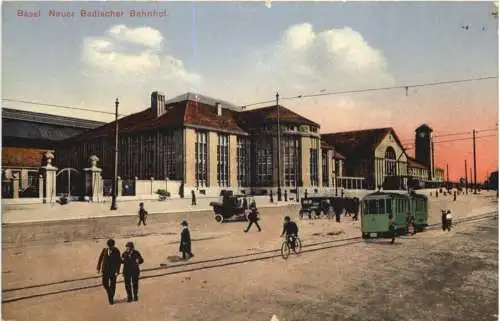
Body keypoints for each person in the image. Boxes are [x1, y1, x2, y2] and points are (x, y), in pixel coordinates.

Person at [96, 239, 122, 305]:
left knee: (113, 285)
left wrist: (117, 271)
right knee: (104, 283)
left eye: (112, 246)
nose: (110, 248)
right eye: (109, 246)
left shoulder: (116, 251)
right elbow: (100, 259)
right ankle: (110, 293)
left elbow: (118, 262)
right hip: (105, 270)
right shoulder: (104, 250)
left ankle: (111, 300)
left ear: (113, 245)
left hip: (113, 271)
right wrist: (98, 268)